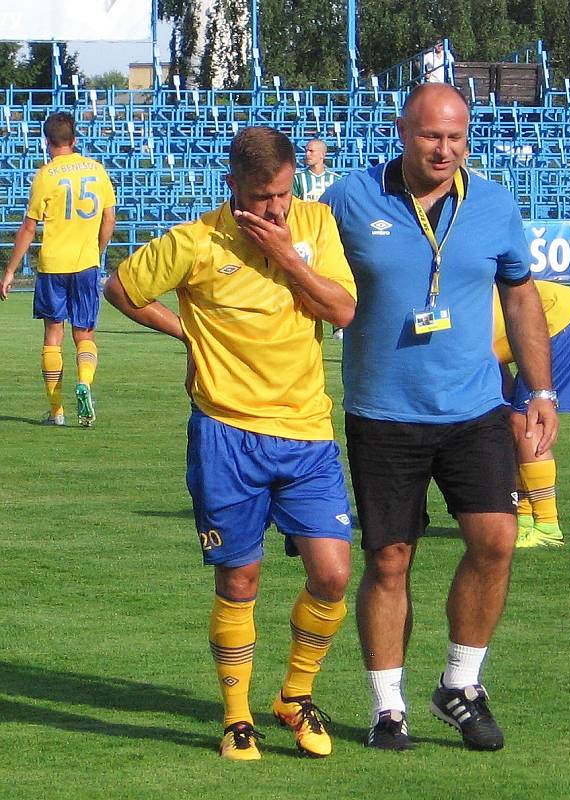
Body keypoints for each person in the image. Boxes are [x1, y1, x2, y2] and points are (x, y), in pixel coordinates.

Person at [103, 126, 357, 761]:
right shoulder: (194, 242)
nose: (275, 209)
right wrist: (186, 334)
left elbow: (345, 311)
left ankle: (295, 696)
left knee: (332, 573)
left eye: (282, 193)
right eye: (261, 197)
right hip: (226, 435)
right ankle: (237, 716)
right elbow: (122, 290)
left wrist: (293, 259)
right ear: (231, 187)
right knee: (240, 579)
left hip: (306, 434)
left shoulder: (316, 225)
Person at [321, 83, 558, 753]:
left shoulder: (493, 203)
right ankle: (387, 707)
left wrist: (539, 391)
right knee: (390, 559)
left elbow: (519, 295)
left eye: (456, 137)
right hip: (383, 413)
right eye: (432, 136)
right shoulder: (347, 198)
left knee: (496, 541)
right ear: (402, 131)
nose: (445, 149)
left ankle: (460, 684)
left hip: (475, 407)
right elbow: (305, 275)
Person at [0, 111, 116, 427]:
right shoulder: (96, 170)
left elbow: (28, 228)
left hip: (53, 265)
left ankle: (56, 411)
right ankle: (85, 384)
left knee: (54, 334)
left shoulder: (45, 175)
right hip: (86, 264)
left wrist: (10, 270)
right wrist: (96, 250)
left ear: (46, 142)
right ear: (75, 139)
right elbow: (109, 219)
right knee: (85, 333)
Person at [493, 280, 570, 548]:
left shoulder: (457, 335)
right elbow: (499, 380)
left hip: (563, 320)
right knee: (513, 421)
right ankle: (525, 519)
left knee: (524, 422)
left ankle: (547, 526)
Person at [293, 140, 344, 340]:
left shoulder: (335, 180)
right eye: (306, 150)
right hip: (304, 236)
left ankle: (338, 326)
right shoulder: (298, 179)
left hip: (328, 236)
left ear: (322, 155)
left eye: (311, 150)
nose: (307, 154)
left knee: (333, 278)